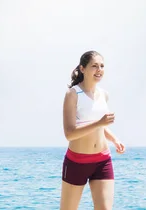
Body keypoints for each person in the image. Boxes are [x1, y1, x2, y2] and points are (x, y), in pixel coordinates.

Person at [60, 50, 126, 210]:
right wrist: (99, 123)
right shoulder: (73, 94)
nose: (99, 70)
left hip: (102, 160)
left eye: (102, 66)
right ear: (82, 69)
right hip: (77, 161)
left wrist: (115, 139)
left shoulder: (104, 94)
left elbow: (100, 127)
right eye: (94, 66)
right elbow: (69, 133)